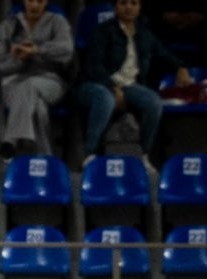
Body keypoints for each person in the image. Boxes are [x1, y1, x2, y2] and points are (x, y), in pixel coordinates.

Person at [78, 0, 189, 160]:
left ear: (139, 7)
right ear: (115, 7)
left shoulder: (145, 33)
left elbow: (163, 53)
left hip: (129, 85)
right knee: (105, 98)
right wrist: (112, 87)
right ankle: (90, 155)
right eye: (123, 3)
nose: (128, 7)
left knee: (153, 102)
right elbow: (93, 67)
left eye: (133, 3)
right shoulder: (102, 31)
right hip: (96, 84)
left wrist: (180, 67)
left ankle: (143, 155)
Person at [0, 0, 73, 159]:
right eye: (31, 0)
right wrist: (19, 58)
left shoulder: (57, 22)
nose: (35, 6)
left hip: (50, 81)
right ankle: (45, 159)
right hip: (14, 82)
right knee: (38, 109)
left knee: (29, 85)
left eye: (40, 1)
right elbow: (0, 64)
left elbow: (66, 51)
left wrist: (36, 50)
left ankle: (10, 142)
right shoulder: (7, 26)